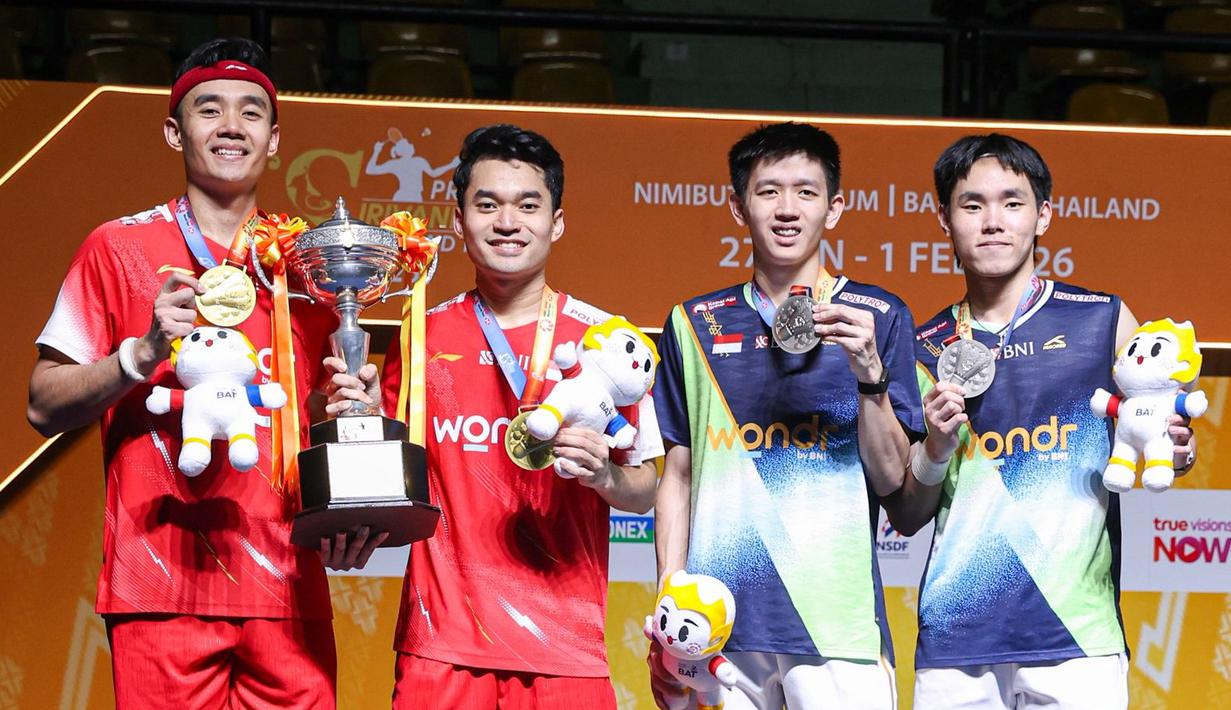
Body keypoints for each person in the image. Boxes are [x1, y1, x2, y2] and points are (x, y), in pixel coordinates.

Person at [26, 38, 376, 708]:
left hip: (286, 582)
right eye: (208, 109)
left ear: (274, 139)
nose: (230, 126)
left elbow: (325, 412)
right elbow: (44, 405)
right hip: (158, 583)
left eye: (250, 112)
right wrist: (142, 352)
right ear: (173, 129)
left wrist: (348, 476)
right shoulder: (118, 247)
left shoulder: (309, 264)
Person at [885, 133, 1197, 710]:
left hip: (1076, 637)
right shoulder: (924, 346)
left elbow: (1164, 439)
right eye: (972, 205)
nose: (993, 222)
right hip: (956, 639)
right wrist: (934, 446)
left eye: (1012, 202)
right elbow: (905, 513)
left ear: (1044, 215)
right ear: (943, 219)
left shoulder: (1103, 319)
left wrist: (1178, 449)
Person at [368, 124, 663, 708]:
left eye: (528, 206)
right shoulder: (421, 333)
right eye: (488, 205)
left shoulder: (609, 341)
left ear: (556, 222)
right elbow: (395, 480)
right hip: (441, 645)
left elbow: (646, 489)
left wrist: (605, 477)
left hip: (567, 651)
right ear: (458, 221)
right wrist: (361, 417)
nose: (508, 222)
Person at [650, 122, 924, 710]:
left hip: (837, 629)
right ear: (737, 205)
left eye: (806, 192)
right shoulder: (693, 323)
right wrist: (670, 599)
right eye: (768, 190)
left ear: (836, 207)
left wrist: (870, 375)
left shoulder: (880, 316)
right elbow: (678, 471)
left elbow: (893, 484)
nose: (787, 209)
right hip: (716, 630)